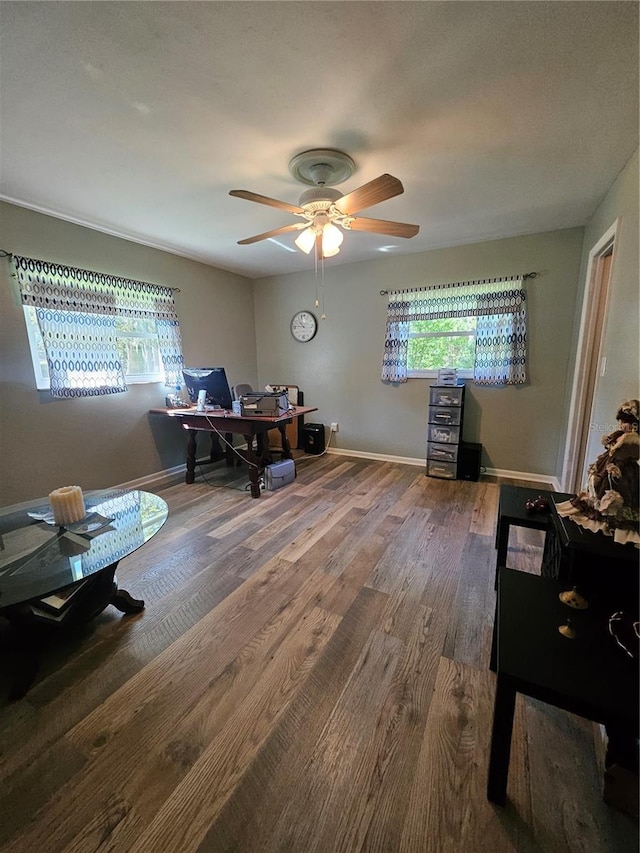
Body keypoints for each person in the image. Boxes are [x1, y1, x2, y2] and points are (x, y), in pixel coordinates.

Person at [568, 399, 639, 541]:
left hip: (623, 470)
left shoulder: (632, 438)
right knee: (600, 485)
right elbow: (611, 445)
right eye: (620, 422)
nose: (621, 426)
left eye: (624, 422)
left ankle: (614, 519)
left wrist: (615, 445)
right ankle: (602, 514)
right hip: (610, 464)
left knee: (620, 490)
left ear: (635, 425)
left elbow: (619, 449)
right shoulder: (621, 434)